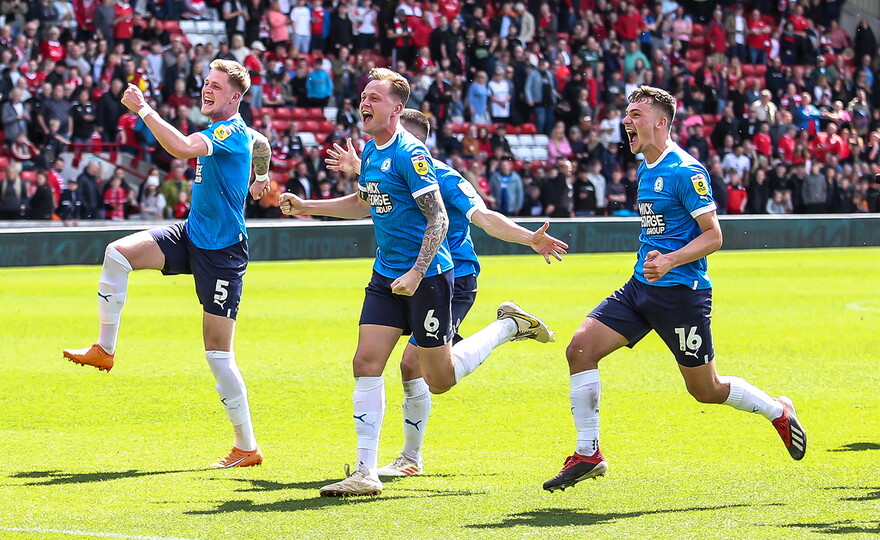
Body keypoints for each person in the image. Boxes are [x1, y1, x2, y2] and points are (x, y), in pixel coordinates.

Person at [278, 69, 558, 497]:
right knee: (366, 362)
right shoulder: (373, 152)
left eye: (374, 97)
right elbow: (364, 202)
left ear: (398, 113)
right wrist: (307, 206)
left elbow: (465, 217)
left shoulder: (421, 161)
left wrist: (527, 238)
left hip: (435, 278)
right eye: (363, 96)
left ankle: (507, 327)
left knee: (435, 377)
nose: (364, 104)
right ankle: (366, 471)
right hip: (387, 275)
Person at [543, 86, 807, 493]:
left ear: (661, 122)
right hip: (640, 288)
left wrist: (669, 260)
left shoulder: (686, 170)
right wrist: (655, 262)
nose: (626, 122)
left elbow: (714, 236)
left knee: (706, 389)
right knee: (580, 348)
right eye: (626, 114)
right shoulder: (646, 167)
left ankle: (777, 410)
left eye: (635, 115)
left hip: (682, 294)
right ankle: (588, 453)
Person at [62, 60, 273, 469]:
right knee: (117, 253)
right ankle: (105, 349)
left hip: (223, 254)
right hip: (192, 234)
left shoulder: (227, 131)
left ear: (235, 96)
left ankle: (247, 447)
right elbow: (261, 144)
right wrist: (260, 177)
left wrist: (143, 109)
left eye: (216, 86)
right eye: (206, 83)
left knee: (218, 355)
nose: (206, 90)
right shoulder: (239, 132)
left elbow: (180, 148)